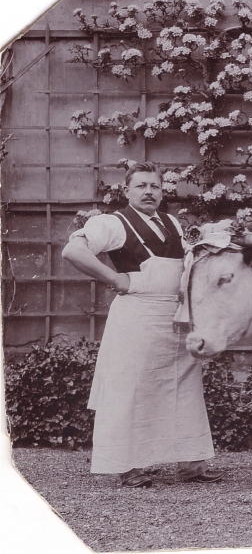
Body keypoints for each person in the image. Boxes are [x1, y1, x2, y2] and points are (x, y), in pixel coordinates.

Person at [62, 162, 224, 488]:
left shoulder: (173, 223)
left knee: (184, 388)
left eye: (155, 186)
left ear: (163, 192)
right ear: (126, 191)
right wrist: (115, 278)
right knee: (130, 388)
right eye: (141, 186)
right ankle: (126, 465)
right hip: (136, 316)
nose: (149, 192)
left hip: (175, 318)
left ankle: (191, 463)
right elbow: (73, 250)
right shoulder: (112, 223)